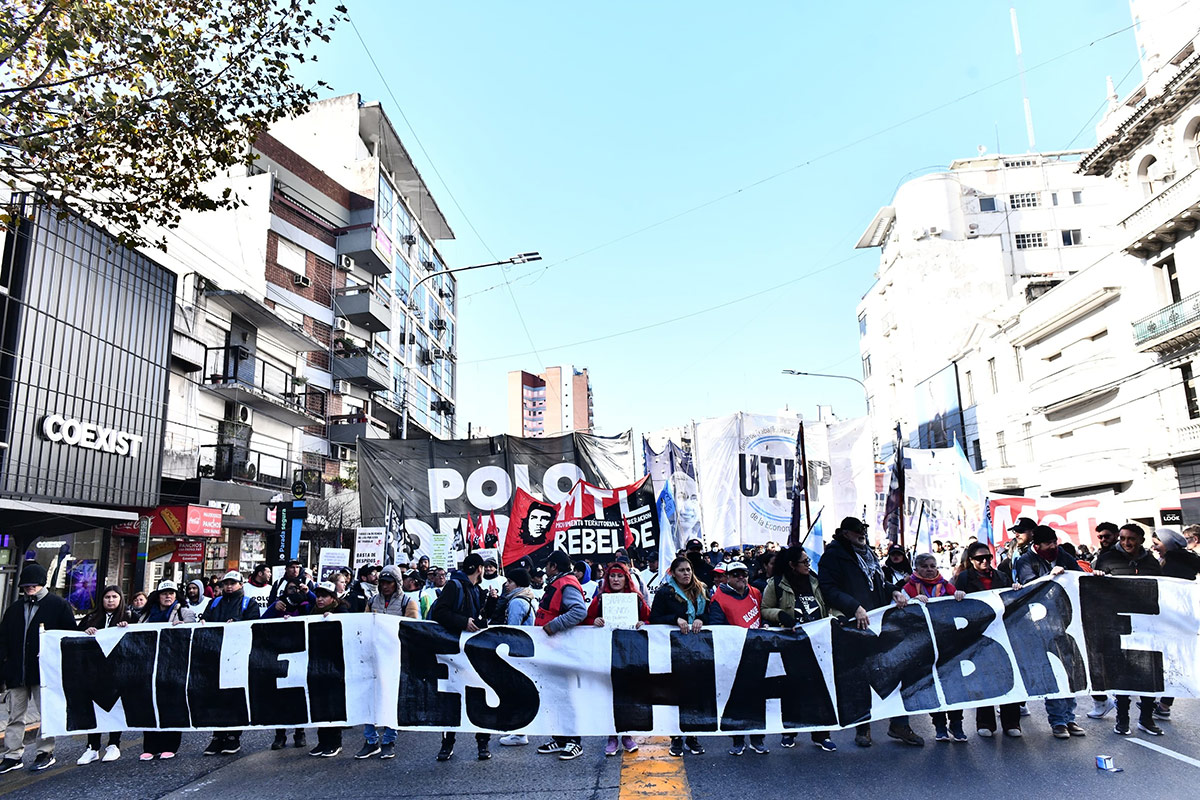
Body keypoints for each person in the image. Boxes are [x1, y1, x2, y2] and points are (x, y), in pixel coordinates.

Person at [817, 517, 923, 748]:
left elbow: (878, 582)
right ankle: (863, 727)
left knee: (896, 670)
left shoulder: (869, 554)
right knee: (861, 676)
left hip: (879, 620)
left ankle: (899, 724)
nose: (861, 535)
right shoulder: (833, 556)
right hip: (856, 623)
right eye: (856, 532)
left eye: (863, 531)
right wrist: (853, 607)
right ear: (845, 533)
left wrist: (894, 591)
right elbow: (828, 588)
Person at [0, 563, 77, 774]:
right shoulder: (14, 609)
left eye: (33, 585)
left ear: (42, 584)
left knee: (46, 713)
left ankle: (45, 752)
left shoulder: (58, 605)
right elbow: (3, 639)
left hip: (45, 671)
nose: (29, 589)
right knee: (15, 716)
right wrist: (4, 666)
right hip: (17, 671)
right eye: (26, 586)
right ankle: (12, 755)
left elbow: (69, 636)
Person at [1089, 523, 1165, 737]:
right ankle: (1123, 719)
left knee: (1150, 673)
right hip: (1118, 625)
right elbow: (1097, 590)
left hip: (1147, 625)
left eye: (1131, 539)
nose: (1126, 543)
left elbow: (1162, 588)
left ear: (1141, 540)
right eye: (1122, 538)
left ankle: (1146, 719)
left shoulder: (1151, 561)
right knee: (1121, 673)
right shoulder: (1107, 559)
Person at [1014, 526, 1085, 740]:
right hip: (1042, 622)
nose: (1053, 546)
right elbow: (1029, 586)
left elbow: (1079, 578)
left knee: (1071, 669)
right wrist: (1049, 577)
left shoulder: (1063, 554)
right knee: (1054, 670)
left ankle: (1070, 717)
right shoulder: (1025, 560)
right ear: (1037, 546)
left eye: (1055, 541)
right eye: (1048, 544)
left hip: (1067, 620)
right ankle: (1058, 721)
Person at [954, 542, 1023, 738]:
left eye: (988, 557)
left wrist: (1015, 588)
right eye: (979, 558)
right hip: (978, 634)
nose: (985, 561)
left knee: (1009, 674)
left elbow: (1011, 600)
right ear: (971, 560)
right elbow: (956, 605)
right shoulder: (964, 578)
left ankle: (1012, 722)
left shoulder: (1001, 576)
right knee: (984, 677)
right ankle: (985, 722)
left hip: (1002, 631)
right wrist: (958, 595)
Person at [430, 553, 492, 762]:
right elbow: (440, 613)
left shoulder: (474, 589)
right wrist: (463, 622)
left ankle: (482, 744)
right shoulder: (454, 586)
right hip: (454, 653)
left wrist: (490, 603)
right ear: (479, 569)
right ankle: (447, 745)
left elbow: (481, 619)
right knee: (452, 699)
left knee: (479, 698)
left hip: (472, 653)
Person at [584, 562, 650, 757]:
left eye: (619, 576)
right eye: (612, 576)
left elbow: (651, 618)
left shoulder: (636, 599)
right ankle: (612, 737)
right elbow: (586, 619)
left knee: (628, 695)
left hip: (630, 653)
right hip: (607, 653)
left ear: (626, 579)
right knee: (609, 695)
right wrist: (593, 621)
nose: (615, 579)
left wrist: (642, 622)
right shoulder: (601, 599)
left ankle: (627, 735)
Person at [901, 554, 967, 742]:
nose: (930, 569)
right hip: (924, 646)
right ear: (916, 568)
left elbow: (961, 608)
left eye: (933, 566)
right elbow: (898, 614)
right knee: (933, 685)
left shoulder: (946, 586)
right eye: (925, 566)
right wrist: (913, 603)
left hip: (948, 644)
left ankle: (956, 723)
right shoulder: (908, 589)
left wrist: (959, 596)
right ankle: (939, 725)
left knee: (954, 684)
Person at [650, 556, 709, 758]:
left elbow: (709, 614)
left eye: (688, 570)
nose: (686, 573)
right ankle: (676, 737)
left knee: (695, 693)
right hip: (673, 650)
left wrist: (700, 619)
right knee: (675, 693)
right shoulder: (665, 593)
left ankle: (692, 736)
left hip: (697, 650)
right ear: (673, 573)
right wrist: (674, 619)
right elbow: (654, 618)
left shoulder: (701, 589)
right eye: (682, 570)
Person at [534, 550, 589, 761]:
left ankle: (575, 741)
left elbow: (579, 611)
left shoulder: (566, 583)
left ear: (554, 566)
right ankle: (560, 738)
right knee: (554, 695)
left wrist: (552, 627)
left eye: (547, 565)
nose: (545, 569)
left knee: (566, 696)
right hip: (552, 650)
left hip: (563, 650)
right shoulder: (559, 582)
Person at [201, 571, 261, 756]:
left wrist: (237, 622)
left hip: (237, 656)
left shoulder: (248, 603)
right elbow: (206, 619)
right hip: (215, 653)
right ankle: (217, 736)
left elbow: (254, 624)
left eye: (233, 583)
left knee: (234, 696)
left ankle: (233, 736)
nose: (229, 586)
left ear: (241, 585)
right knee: (215, 696)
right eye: (226, 583)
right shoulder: (215, 602)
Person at [74, 585, 133, 765]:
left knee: (115, 707)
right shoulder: (91, 618)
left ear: (120, 599)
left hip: (118, 671)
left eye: (115, 596)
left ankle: (114, 744)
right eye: (107, 597)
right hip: (94, 671)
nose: (110, 600)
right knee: (94, 708)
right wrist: (86, 632)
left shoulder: (130, 617)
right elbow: (74, 638)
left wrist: (127, 628)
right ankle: (92, 747)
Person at [139, 581, 197, 760]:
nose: (168, 596)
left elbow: (192, 637)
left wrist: (182, 629)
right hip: (150, 667)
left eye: (171, 593)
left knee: (172, 705)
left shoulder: (185, 613)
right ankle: (150, 746)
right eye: (164, 593)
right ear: (158, 595)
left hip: (174, 667)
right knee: (150, 706)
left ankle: (170, 745)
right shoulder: (146, 615)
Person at [307, 582, 348, 757]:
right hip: (317, 662)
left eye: (324, 596)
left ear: (333, 597)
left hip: (335, 664)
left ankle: (335, 741)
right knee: (319, 702)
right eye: (318, 596)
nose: (320, 599)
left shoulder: (342, 611)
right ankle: (322, 740)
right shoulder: (313, 612)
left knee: (333, 702)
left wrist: (333, 620)